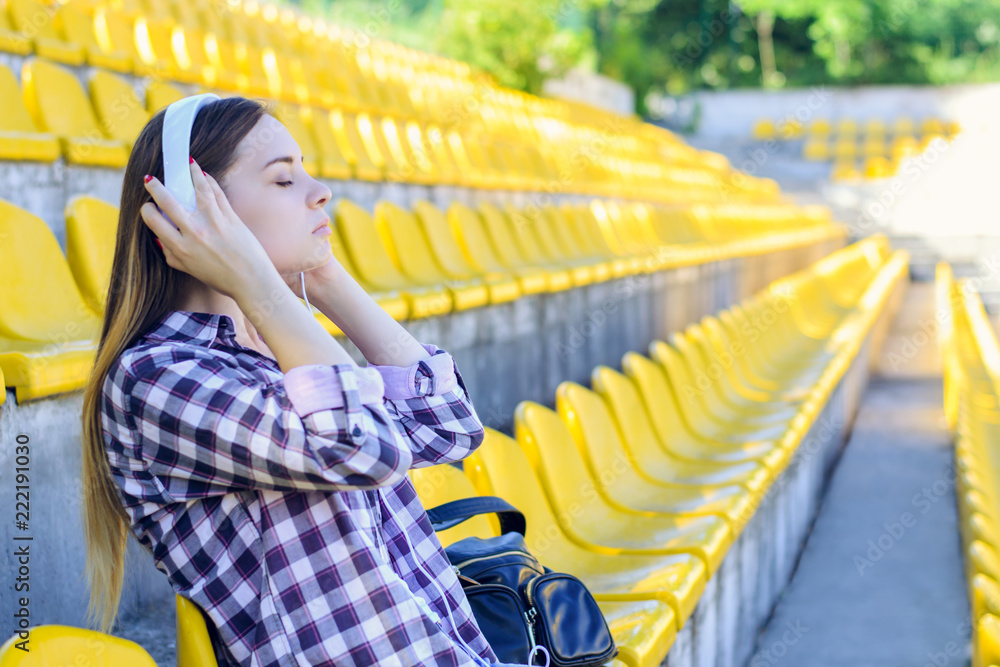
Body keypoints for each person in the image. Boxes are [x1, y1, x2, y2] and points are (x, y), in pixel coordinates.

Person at [79, 95, 527, 666]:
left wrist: (325, 276)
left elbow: (448, 427)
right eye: (285, 180)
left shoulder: (274, 344)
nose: (321, 191)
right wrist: (262, 288)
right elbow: (363, 449)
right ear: (192, 211)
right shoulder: (159, 377)